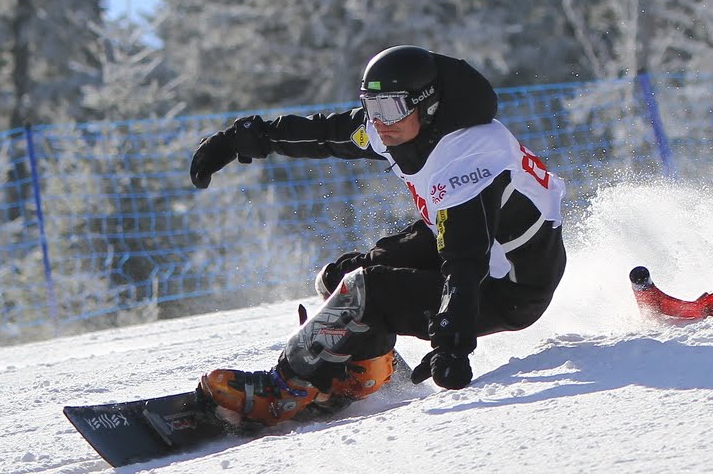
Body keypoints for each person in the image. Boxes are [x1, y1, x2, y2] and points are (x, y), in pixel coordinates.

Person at [188, 45, 567, 425]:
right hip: (470, 241)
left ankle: (284, 389)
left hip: (512, 284)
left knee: (368, 289)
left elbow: (464, 262)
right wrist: (242, 139)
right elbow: (323, 134)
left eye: (390, 108)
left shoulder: (468, 157)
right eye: (372, 106)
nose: (380, 122)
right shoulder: (400, 126)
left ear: (428, 105)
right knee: (339, 278)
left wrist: (453, 346)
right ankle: (369, 368)